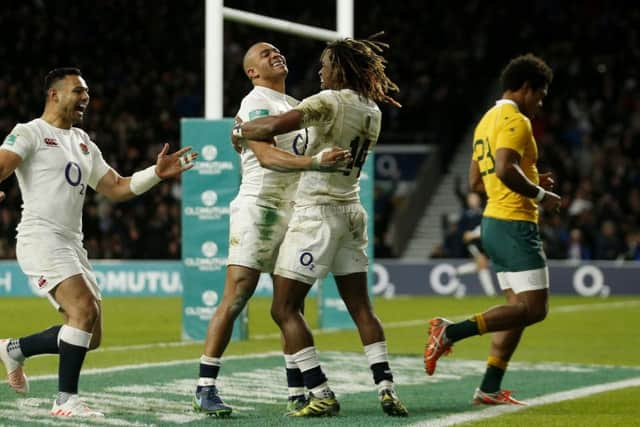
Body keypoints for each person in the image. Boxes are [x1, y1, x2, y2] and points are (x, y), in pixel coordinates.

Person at [0, 67, 197, 417]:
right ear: (54, 95)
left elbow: (116, 187)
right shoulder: (29, 132)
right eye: (78, 91)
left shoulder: (82, 141)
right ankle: (65, 401)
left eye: (86, 92)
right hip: (40, 237)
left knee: (91, 335)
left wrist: (157, 173)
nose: (85, 98)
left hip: (72, 243)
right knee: (83, 310)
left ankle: (15, 349)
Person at [232, 33, 408, 418]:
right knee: (361, 307)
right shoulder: (373, 111)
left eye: (326, 64)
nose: (320, 70)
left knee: (283, 308)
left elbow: (271, 127)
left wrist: (239, 131)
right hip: (353, 211)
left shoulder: (327, 100)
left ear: (339, 69)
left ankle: (319, 389)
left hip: (317, 213)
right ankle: (386, 388)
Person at [192, 42, 349, 417]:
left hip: (292, 211)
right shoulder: (255, 103)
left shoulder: (294, 106)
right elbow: (264, 156)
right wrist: (313, 163)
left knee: (290, 303)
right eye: (265, 54)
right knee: (237, 294)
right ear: (252, 72)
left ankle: (297, 390)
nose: (275, 54)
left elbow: (251, 145)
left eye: (278, 50)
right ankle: (204, 386)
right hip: (259, 207)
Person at [424, 54, 561, 405]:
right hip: (514, 223)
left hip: (492, 223)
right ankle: (449, 331)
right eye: (540, 96)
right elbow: (502, 169)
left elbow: (475, 181)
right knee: (535, 308)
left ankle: (488, 388)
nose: (540, 104)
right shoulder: (516, 121)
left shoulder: (486, 120)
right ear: (527, 88)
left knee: (517, 311)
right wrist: (542, 193)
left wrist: (529, 177)